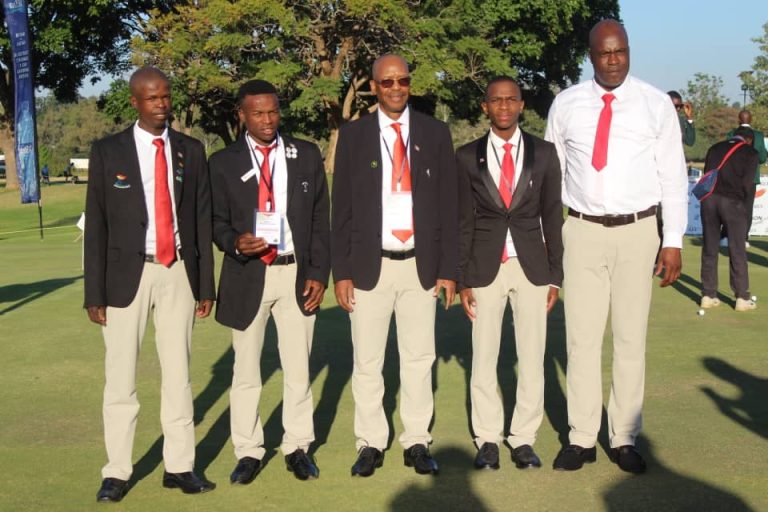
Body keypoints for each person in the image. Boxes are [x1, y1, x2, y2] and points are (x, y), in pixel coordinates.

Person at [544, 19, 688, 474]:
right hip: (582, 230)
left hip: (637, 231)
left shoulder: (654, 104)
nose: (613, 60)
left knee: (629, 339)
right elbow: (552, 174)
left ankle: (624, 437)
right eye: (604, 53)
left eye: (620, 51)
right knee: (581, 339)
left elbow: (673, 177)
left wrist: (672, 241)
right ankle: (581, 437)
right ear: (591, 56)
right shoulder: (566, 104)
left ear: (629, 51)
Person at [84, 66, 216, 502]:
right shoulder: (107, 151)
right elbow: (97, 225)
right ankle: (117, 472)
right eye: (152, 98)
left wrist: (205, 285)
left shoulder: (190, 150)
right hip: (126, 275)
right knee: (120, 377)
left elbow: (200, 219)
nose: (162, 104)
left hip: (177, 271)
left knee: (178, 374)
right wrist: (94, 292)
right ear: (135, 102)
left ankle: (179, 466)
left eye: (166, 96)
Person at [331, 53, 458, 477]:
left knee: (419, 358)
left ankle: (417, 440)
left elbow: (448, 207)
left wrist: (448, 269)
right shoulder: (353, 136)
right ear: (373, 87)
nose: (396, 88)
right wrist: (342, 272)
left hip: (420, 264)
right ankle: (370, 442)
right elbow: (341, 210)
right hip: (371, 266)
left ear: (410, 83)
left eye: (402, 80)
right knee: (368, 361)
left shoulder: (435, 133)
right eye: (387, 82)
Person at [209, 79, 330, 483]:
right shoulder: (222, 162)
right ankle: (248, 451)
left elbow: (320, 220)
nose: (267, 120)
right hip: (248, 273)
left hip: (296, 273)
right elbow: (214, 221)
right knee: (246, 371)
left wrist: (318, 274)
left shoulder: (305, 153)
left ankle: (298, 447)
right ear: (242, 115)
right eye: (258, 113)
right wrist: (234, 241)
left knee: (298, 369)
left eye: (273, 111)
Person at [457, 77, 563, 471]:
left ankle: (523, 439)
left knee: (532, 357)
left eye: (511, 100)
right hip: (484, 267)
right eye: (496, 100)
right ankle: (488, 438)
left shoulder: (545, 153)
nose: (504, 106)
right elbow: (462, 221)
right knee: (484, 357)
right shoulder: (466, 156)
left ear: (521, 105)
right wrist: (463, 277)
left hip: (532, 266)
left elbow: (552, 215)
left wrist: (555, 276)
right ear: (485, 107)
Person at [700, 127, 759, 312]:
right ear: (749, 140)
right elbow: (747, 185)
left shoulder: (714, 148)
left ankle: (708, 295)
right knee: (737, 249)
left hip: (709, 201)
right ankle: (741, 297)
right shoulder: (751, 153)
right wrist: (744, 209)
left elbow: (707, 174)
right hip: (733, 202)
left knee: (709, 247)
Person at [727, 110, 767, 246]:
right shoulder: (759, 135)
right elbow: (762, 158)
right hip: (751, 177)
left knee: (731, 207)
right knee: (747, 209)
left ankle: (728, 236)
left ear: (739, 120)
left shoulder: (731, 133)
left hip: (734, 176)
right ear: (751, 119)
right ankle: (743, 238)